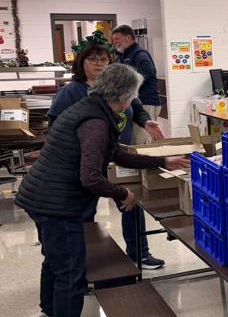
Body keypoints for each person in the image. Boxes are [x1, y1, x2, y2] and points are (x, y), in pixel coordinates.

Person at [16, 64, 189, 317]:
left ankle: (53, 316)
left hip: (43, 196)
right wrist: (124, 194)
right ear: (124, 96)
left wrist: (164, 160)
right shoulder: (96, 121)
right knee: (70, 269)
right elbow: (91, 178)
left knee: (56, 260)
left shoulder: (92, 109)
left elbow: (117, 154)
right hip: (57, 202)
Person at [48, 43, 167, 269]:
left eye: (103, 60)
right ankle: (84, 262)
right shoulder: (72, 92)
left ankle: (139, 253)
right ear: (81, 64)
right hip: (88, 161)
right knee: (85, 211)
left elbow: (137, 109)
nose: (99, 64)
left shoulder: (122, 85)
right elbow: (57, 125)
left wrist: (145, 121)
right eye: (92, 59)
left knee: (131, 203)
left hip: (121, 154)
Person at [111, 25, 160, 145]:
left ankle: (147, 163)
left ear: (128, 37)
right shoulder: (122, 56)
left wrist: (124, 86)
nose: (114, 42)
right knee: (134, 140)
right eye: (113, 40)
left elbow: (146, 75)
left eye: (117, 38)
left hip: (146, 103)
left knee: (142, 141)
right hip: (133, 103)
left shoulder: (140, 55)